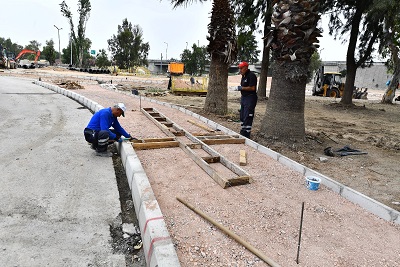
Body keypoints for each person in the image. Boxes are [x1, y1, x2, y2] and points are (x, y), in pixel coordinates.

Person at [237, 61, 258, 138]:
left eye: (241, 68)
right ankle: (243, 130)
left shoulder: (251, 76)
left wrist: (242, 88)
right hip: (244, 98)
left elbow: (253, 88)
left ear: (246, 68)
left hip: (250, 98)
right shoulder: (244, 76)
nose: (240, 70)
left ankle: (247, 133)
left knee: (247, 115)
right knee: (242, 115)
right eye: (239, 68)